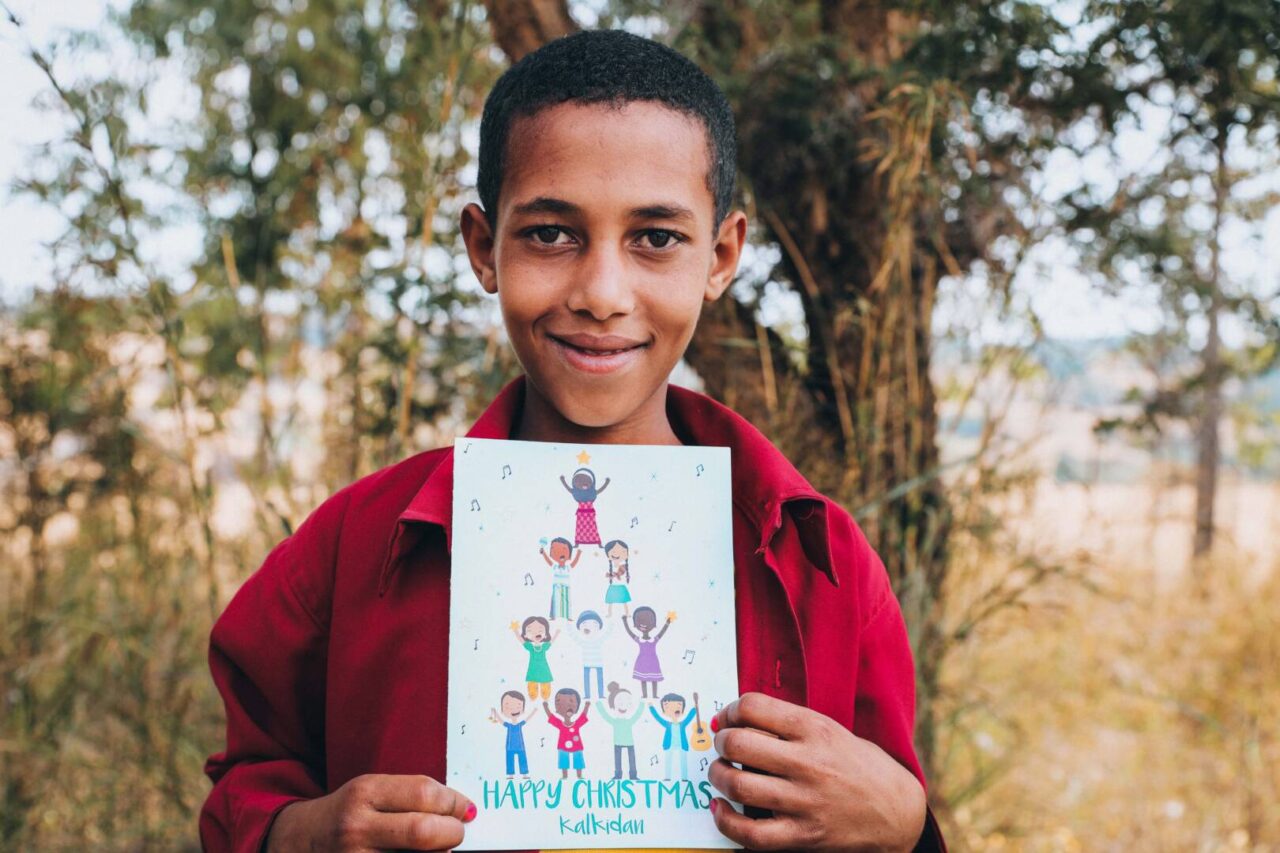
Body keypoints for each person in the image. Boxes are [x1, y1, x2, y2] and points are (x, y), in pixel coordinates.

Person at [200, 27, 944, 853]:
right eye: (551, 233)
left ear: (721, 256)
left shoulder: (820, 561)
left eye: (655, 237)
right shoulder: (354, 547)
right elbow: (247, 781)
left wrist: (905, 828)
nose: (601, 292)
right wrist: (294, 834)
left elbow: (886, 800)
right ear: (484, 247)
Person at [596, 681, 646, 780]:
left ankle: (633, 775)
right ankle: (618, 774)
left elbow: (637, 714)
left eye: (628, 703)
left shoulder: (628, 721)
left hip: (629, 742)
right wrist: (599, 705)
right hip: (618, 742)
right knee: (618, 760)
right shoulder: (615, 721)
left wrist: (642, 703)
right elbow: (605, 715)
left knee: (631, 760)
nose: (623, 706)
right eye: (620, 703)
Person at [543, 688, 591, 780]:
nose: (566, 707)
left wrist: (586, 706)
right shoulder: (560, 724)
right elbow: (551, 717)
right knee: (563, 760)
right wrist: (546, 708)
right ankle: (565, 775)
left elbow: (583, 716)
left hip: (577, 745)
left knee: (578, 760)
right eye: (559, 702)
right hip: (562, 746)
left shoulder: (576, 724)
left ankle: (579, 775)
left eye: (571, 701)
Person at [488, 690, 537, 779]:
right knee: (510, 760)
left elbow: (527, 719)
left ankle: (524, 774)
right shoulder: (508, 725)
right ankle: (511, 775)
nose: (513, 709)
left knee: (522, 759)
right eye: (508, 706)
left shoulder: (519, 724)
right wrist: (495, 713)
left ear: (523, 709)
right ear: (502, 710)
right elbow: (500, 720)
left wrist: (534, 711)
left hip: (520, 746)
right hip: (510, 747)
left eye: (518, 706)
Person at [649, 693, 697, 781]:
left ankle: (684, 778)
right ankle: (667, 777)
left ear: (682, 710)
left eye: (679, 706)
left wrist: (695, 708)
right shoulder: (667, 724)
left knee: (683, 761)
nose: (675, 710)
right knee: (668, 761)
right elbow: (658, 718)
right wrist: (651, 707)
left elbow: (690, 717)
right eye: (669, 707)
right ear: (664, 711)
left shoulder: (683, 724)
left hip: (682, 745)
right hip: (669, 745)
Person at [567, 609, 611, 699]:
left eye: (594, 624)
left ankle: (601, 695)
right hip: (587, 663)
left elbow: (607, 634)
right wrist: (568, 625)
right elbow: (573, 636)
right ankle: (587, 695)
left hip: (598, 663)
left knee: (599, 680)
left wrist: (611, 624)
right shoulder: (583, 642)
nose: (589, 628)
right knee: (587, 680)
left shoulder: (598, 641)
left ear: (599, 627)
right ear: (580, 628)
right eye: (584, 624)